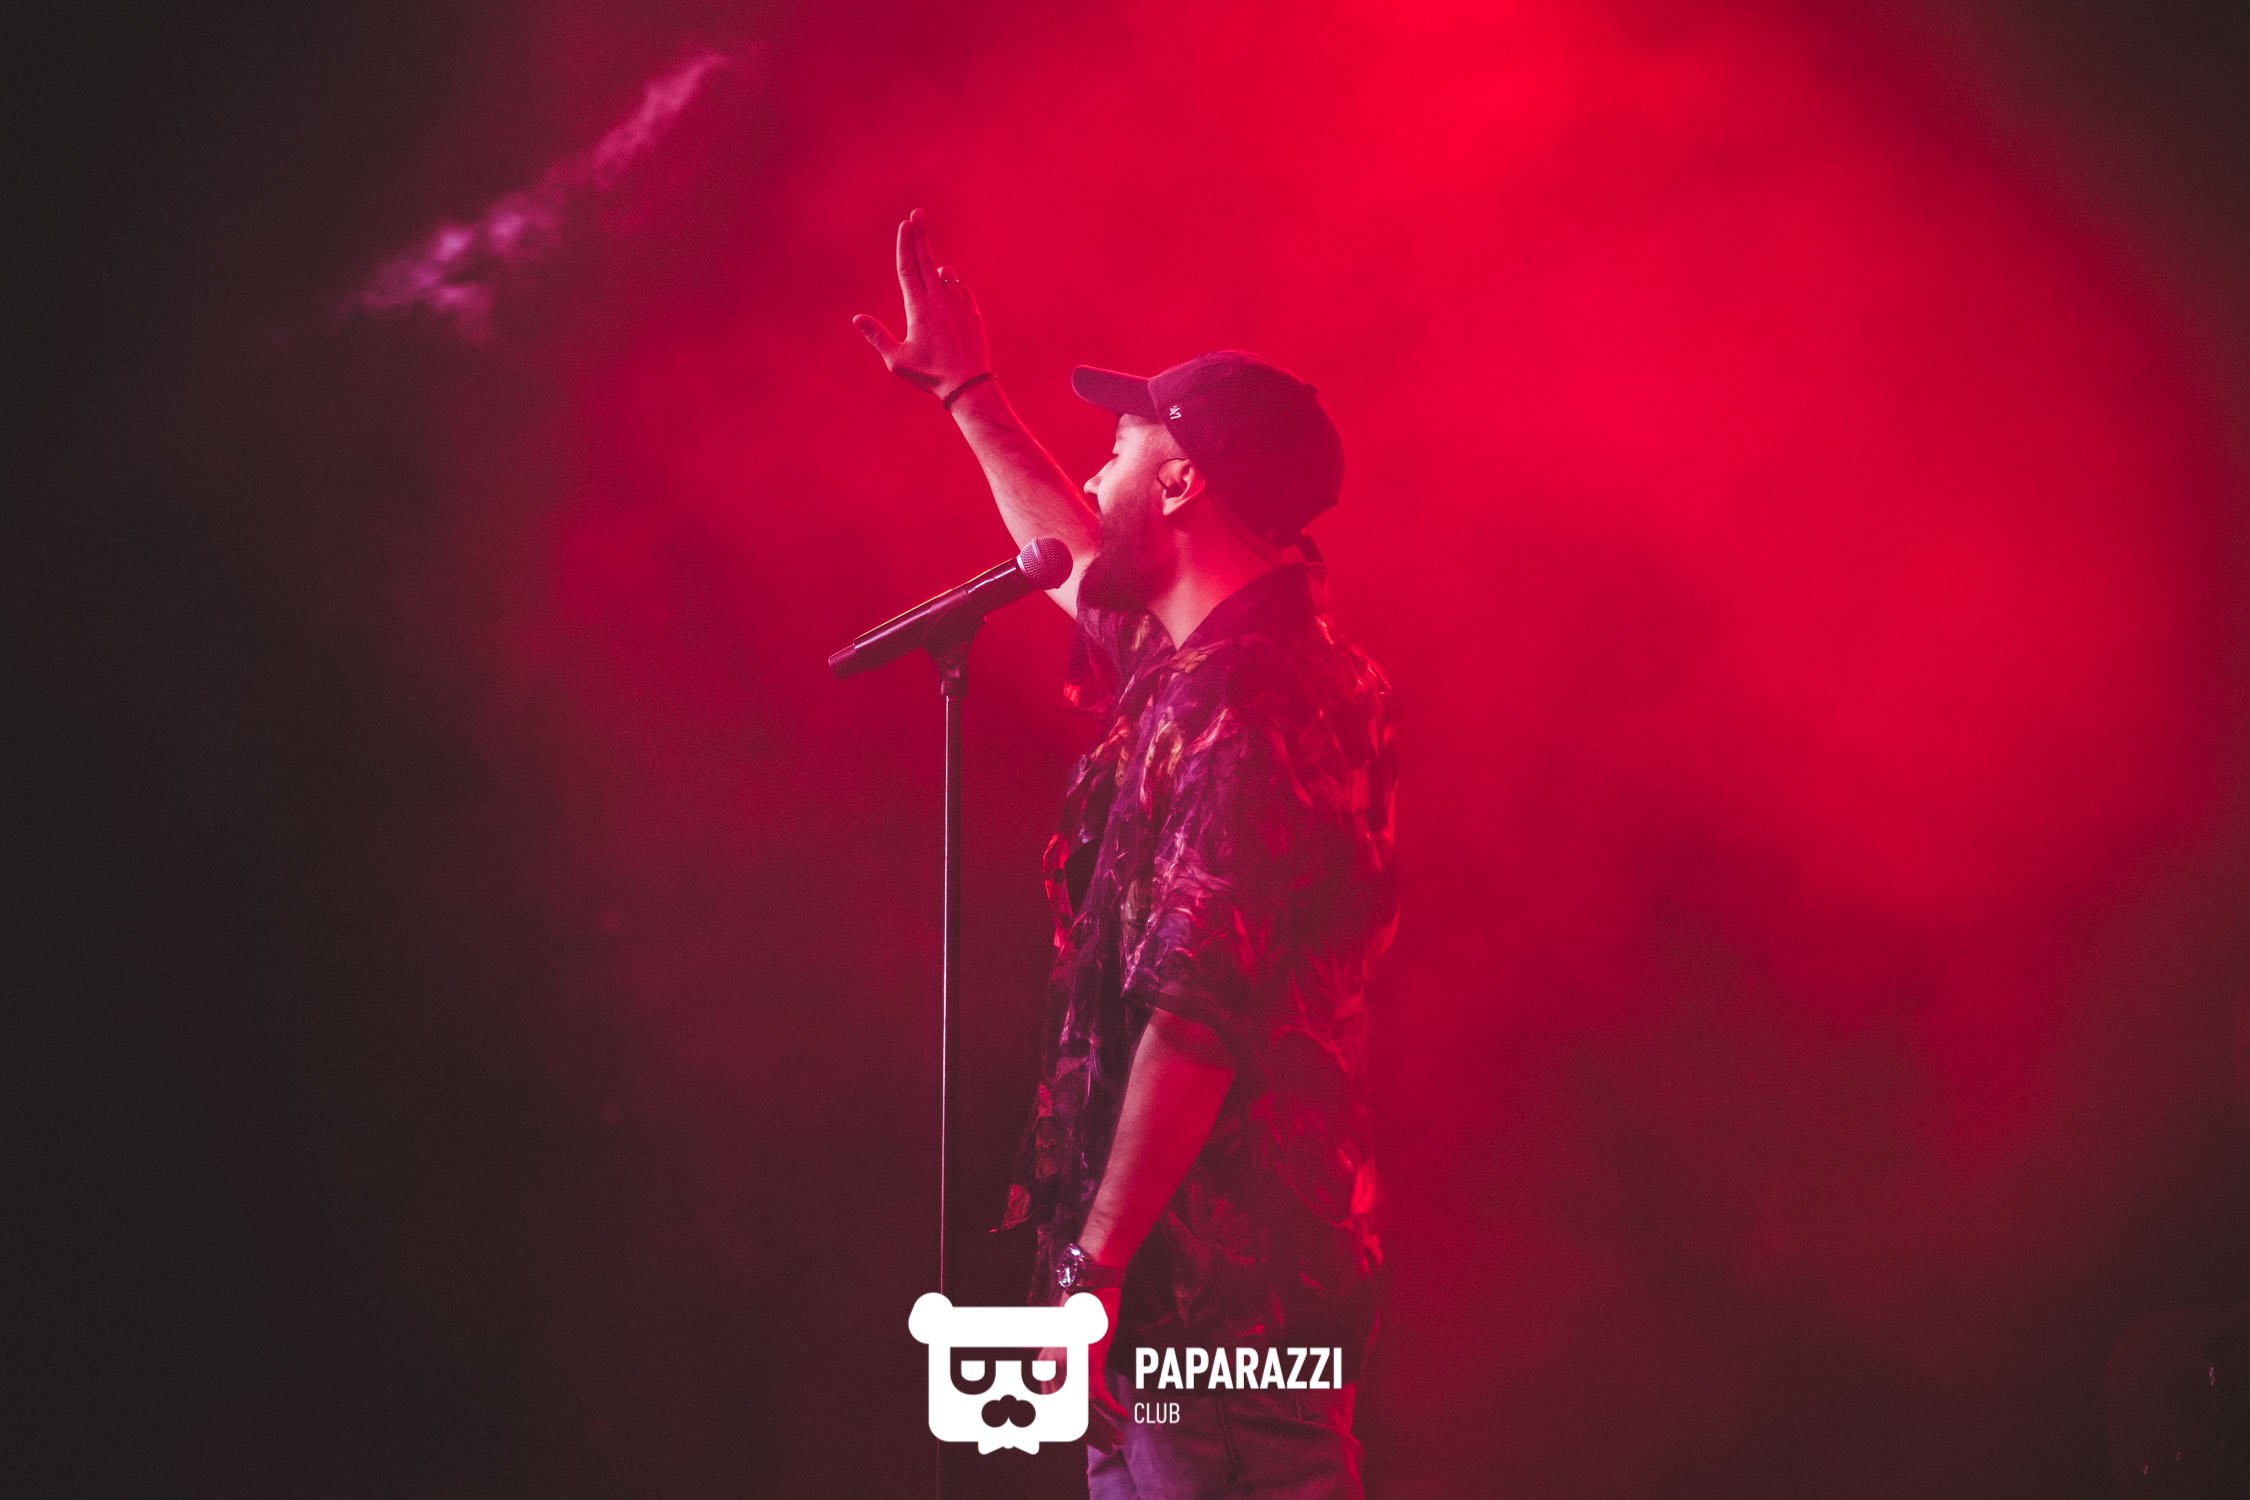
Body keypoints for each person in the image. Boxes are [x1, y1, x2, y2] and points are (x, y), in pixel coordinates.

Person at [856, 209, 1398, 1499]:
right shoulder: (1224, 660)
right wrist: (970, 398)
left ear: (1183, 482)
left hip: (1216, 1318)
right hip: (1206, 1313)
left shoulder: (1252, 706)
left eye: (1116, 451)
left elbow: (1197, 1016)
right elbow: (1084, 573)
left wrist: (1089, 1274)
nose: (1095, 481)